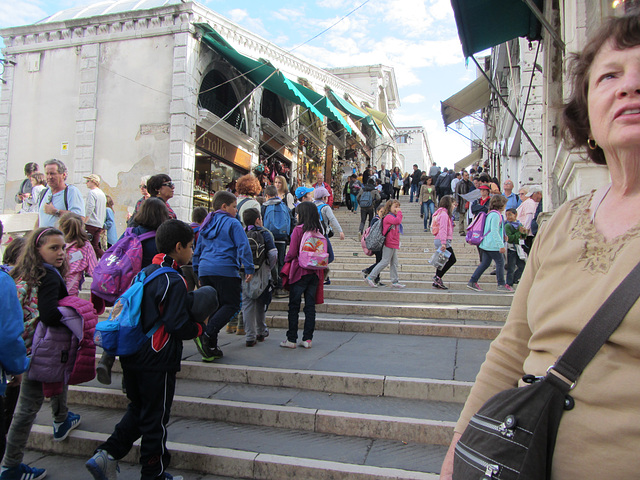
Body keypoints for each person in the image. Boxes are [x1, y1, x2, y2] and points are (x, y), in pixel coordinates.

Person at [441, 16, 640, 479]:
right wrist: (459, 449)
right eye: (611, 75)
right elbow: (512, 345)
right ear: (587, 112)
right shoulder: (559, 223)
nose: (630, 86)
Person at [86, 219, 207, 480]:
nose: (193, 252)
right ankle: (154, 473)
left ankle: (106, 455)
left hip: (133, 353)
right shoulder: (173, 279)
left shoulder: (146, 271)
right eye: (190, 246)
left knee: (139, 410)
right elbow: (177, 324)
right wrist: (199, 328)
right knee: (156, 419)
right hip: (157, 360)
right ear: (178, 247)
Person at [2, 228, 81, 480]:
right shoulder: (48, 275)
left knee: (42, 393)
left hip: (30, 346)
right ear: (38, 250)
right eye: (53, 248)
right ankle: (11, 465)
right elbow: (47, 313)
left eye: (62, 248)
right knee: (27, 408)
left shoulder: (26, 271)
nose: (60, 253)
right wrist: (73, 314)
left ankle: (61, 419)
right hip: (40, 349)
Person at [96, 197, 170, 386]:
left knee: (119, 322)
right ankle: (127, 381)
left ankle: (107, 358)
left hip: (125, 289)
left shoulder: (130, 232)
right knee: (136, 330)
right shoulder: (158, 239)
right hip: (145, 290)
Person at [193, 191, 254, 362]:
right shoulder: (233, 223)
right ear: (224, 206)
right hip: (225, 270)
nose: (236, 210)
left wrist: (197, 270)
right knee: (233, 304)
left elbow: (198, 249)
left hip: (205, 270)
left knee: (214, 306)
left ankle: (211, 346)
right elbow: (243, 245)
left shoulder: (206, 223)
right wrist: (249, 267)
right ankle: (207, 333)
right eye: (234, 207)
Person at [280, 201, 324, 349]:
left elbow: (292, 253)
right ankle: (307, 339)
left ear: (302, 214)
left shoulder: (298, 230)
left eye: (298, 213)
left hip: (299, 271)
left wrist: (286, 260)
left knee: (294, 305)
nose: (296, 216)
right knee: (310, 306)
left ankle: (291, 339)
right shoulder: (319, 230)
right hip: (315, 272)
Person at [242, 208, 277, 347]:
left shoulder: (242, 233)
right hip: (262, 270)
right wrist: (269, 266)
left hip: (244, 271)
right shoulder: (265, 233)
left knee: (247, 302)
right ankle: (261, 331)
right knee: (260, 301)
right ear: (257, 219)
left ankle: (250, 336)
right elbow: (273, 253)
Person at [466, 195, 511, 293]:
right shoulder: (496, 215)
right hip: (492, 244)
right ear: (501, 204)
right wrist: (501, 245)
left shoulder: (491, 213)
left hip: (486, 243)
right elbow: (494, 231)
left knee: (485, 263)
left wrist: (503, 236)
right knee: (500, 261)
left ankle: (473, 281)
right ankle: (501, 284)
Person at [364, 199, 405, 289]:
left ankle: (395, 281)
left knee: (394, 263)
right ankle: (371, 277)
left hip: (394, 243)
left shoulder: (393, 217)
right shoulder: (388, 217)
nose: (397, 209)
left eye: (398, 206)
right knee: (385, 261)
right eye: (395, 207)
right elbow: (397, 221)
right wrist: (399, 213)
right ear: (389, 207)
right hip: (389, 243)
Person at [58, 212, 98, 297]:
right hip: (71, 292)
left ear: (60, 227)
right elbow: (94, 270)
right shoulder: (85, 246)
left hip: (53, 289)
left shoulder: (55, 244)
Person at [38, 159, 85, 228]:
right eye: (47, 174)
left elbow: (80, 218)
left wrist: (56, 212)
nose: (49, 177)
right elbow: (40, 218)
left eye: (52, 173)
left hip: (61, 238)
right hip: (43, 237)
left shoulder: (71, 191)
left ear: (63, 175)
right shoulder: (44, 192)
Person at [262, 185, 291, 298]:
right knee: (281, 262)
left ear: (267, 196)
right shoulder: (284, 206)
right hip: (282, 238)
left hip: (269, 238)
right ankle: (280, 287)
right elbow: (291, 220)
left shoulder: (264, 207)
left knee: (269, 262)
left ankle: (271, 285)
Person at [432, 196, 457, 290]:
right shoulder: (444, 215)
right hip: (442, 240)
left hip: (441, 240)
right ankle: (437, 277)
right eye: (453, 204)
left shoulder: (443, 214)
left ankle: (437, 280)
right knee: (452, 259)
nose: (454, 206)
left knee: (441, 261)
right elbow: (442, 229)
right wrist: (443, 243)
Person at [361, 204, 386, 286]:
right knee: (381, 262)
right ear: (377, 211)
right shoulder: (376, 220)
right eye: (381, 211)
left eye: (384, 211)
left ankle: (376, 279)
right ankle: (367, 271)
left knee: (379, 261)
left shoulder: (380, 219)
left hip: (379, 244)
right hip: (376, 244)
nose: (383, 213)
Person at [83, 173, 107, 259]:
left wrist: (84, 221)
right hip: (99, 224)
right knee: (95, 246)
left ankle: (105, 259)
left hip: (91, 223)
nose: (86, 183)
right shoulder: (102, 194)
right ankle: (103, 260)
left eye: (88, 181)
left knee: (87, 246)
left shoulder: (92, 193)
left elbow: (90, 207)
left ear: (93, 181)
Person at [504, 207, 527, 288]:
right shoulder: (507, 226)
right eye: (506, 215)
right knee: (511, 267)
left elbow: (522, 237)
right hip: (511, 249)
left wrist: (524, 233)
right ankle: (508, 283)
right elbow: (509, 238)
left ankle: (513, 279)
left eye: (510, 215)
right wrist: (518, 233)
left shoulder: (519, 224)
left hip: (518, 248)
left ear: (515, 215)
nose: (508, 217)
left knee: (522, 266)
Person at [517, 184, 542, 250]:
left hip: (528, 233)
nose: (530, 197)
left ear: (538, 193)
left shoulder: (528, 202)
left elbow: (529, 216)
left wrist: (525, 230)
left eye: (522, 194)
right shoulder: (527, 202)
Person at [455, 171, 474, 236]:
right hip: (462, 202)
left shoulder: (470, 183)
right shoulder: (459, 184)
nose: (467, 176)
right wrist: (457, 201)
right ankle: (461, 230)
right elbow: (457, 193)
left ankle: (469, 230)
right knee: (461, 217)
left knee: (469, 216)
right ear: (463, 176)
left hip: (469, 202)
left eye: (467, 175)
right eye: (466, 175)